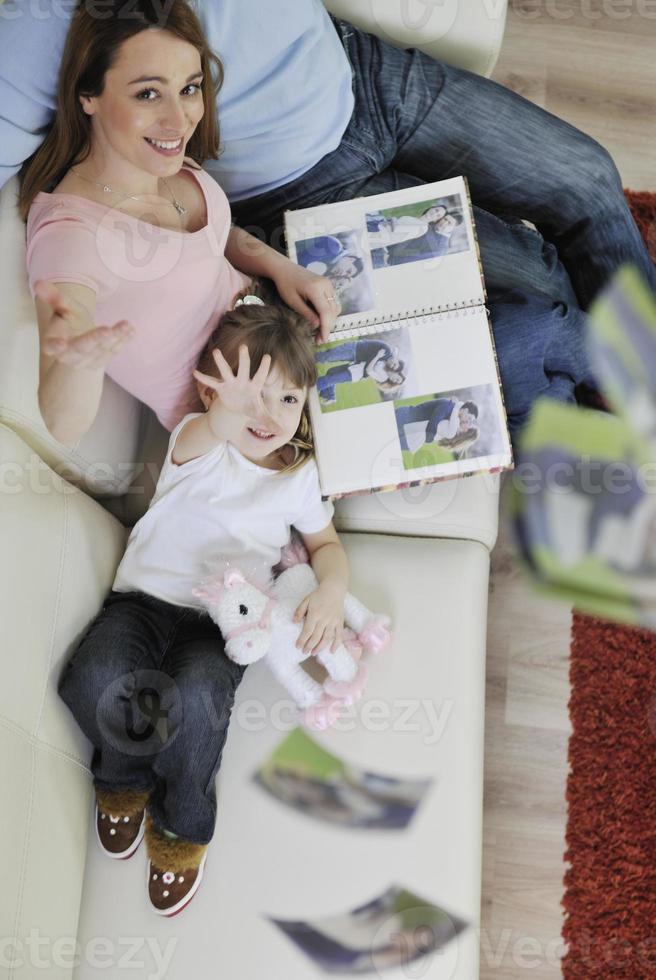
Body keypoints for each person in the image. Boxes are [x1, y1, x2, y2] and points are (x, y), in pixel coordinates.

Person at [3, 2, 653, 431]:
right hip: (301, 196)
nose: (177, 114)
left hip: (364, 74)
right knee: (539, 287)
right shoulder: (37, 28)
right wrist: (74, 346)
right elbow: (69, 291)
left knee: (587, 177)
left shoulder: (181, 170)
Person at [57, 298, 349, 916]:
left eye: (286, 400)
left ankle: (183, 823)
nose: (266, 415)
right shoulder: (198, 443)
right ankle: (123, 778)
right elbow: (211, 429)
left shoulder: (297, 477)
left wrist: (330, 589)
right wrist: (227, 412)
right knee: (96, 679)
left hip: (227, 624)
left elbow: (325, 544)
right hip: (144, 603)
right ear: (209, 393)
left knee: (194, 701)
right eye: (249, 396)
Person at [18, 0, 339, 445]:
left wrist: (280, 269)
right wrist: (81, 362)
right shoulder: (71, 236)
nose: (179, 118)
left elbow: (209, 240)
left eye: (189, 89)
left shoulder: (161, 164)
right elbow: (63, 422)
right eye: (147, 93)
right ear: (88, 95)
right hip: (253, 426)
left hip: (288, 342)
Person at [315, 338, 405, 404]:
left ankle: (311, 388)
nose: (393, 366)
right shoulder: (387, 353)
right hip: (355, 352)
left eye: (396, 381)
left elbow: (368, 370)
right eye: (395, 365)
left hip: (356, 372)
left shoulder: (383, 377)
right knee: (331, 370)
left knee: (329, 377)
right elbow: (373, 361)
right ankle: (329, 395)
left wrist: (376, 357)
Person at [395, 398, 478, 453]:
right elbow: (431, 427)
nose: (467, 421)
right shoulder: (448, 406)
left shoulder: (453, 414)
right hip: (404, 419)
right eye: (469, 418)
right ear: (466, 410)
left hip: (410, 430)